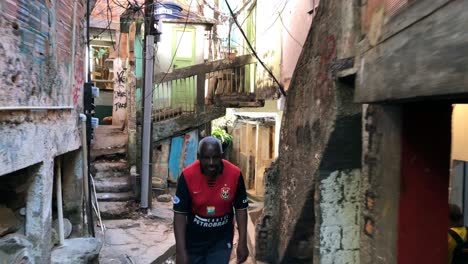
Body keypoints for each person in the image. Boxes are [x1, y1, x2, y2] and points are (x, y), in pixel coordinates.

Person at [173, 136, 249, 264]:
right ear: (199, 156)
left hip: (221, 240)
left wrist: (242, 242)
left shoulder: (234, 174)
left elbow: (241, 209)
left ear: (221, 156)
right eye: (206, 158)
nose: (211, 163)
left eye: (215, 157)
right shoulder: (187, 176)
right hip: (194, 240)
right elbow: (180, 214)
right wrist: (180, 251)